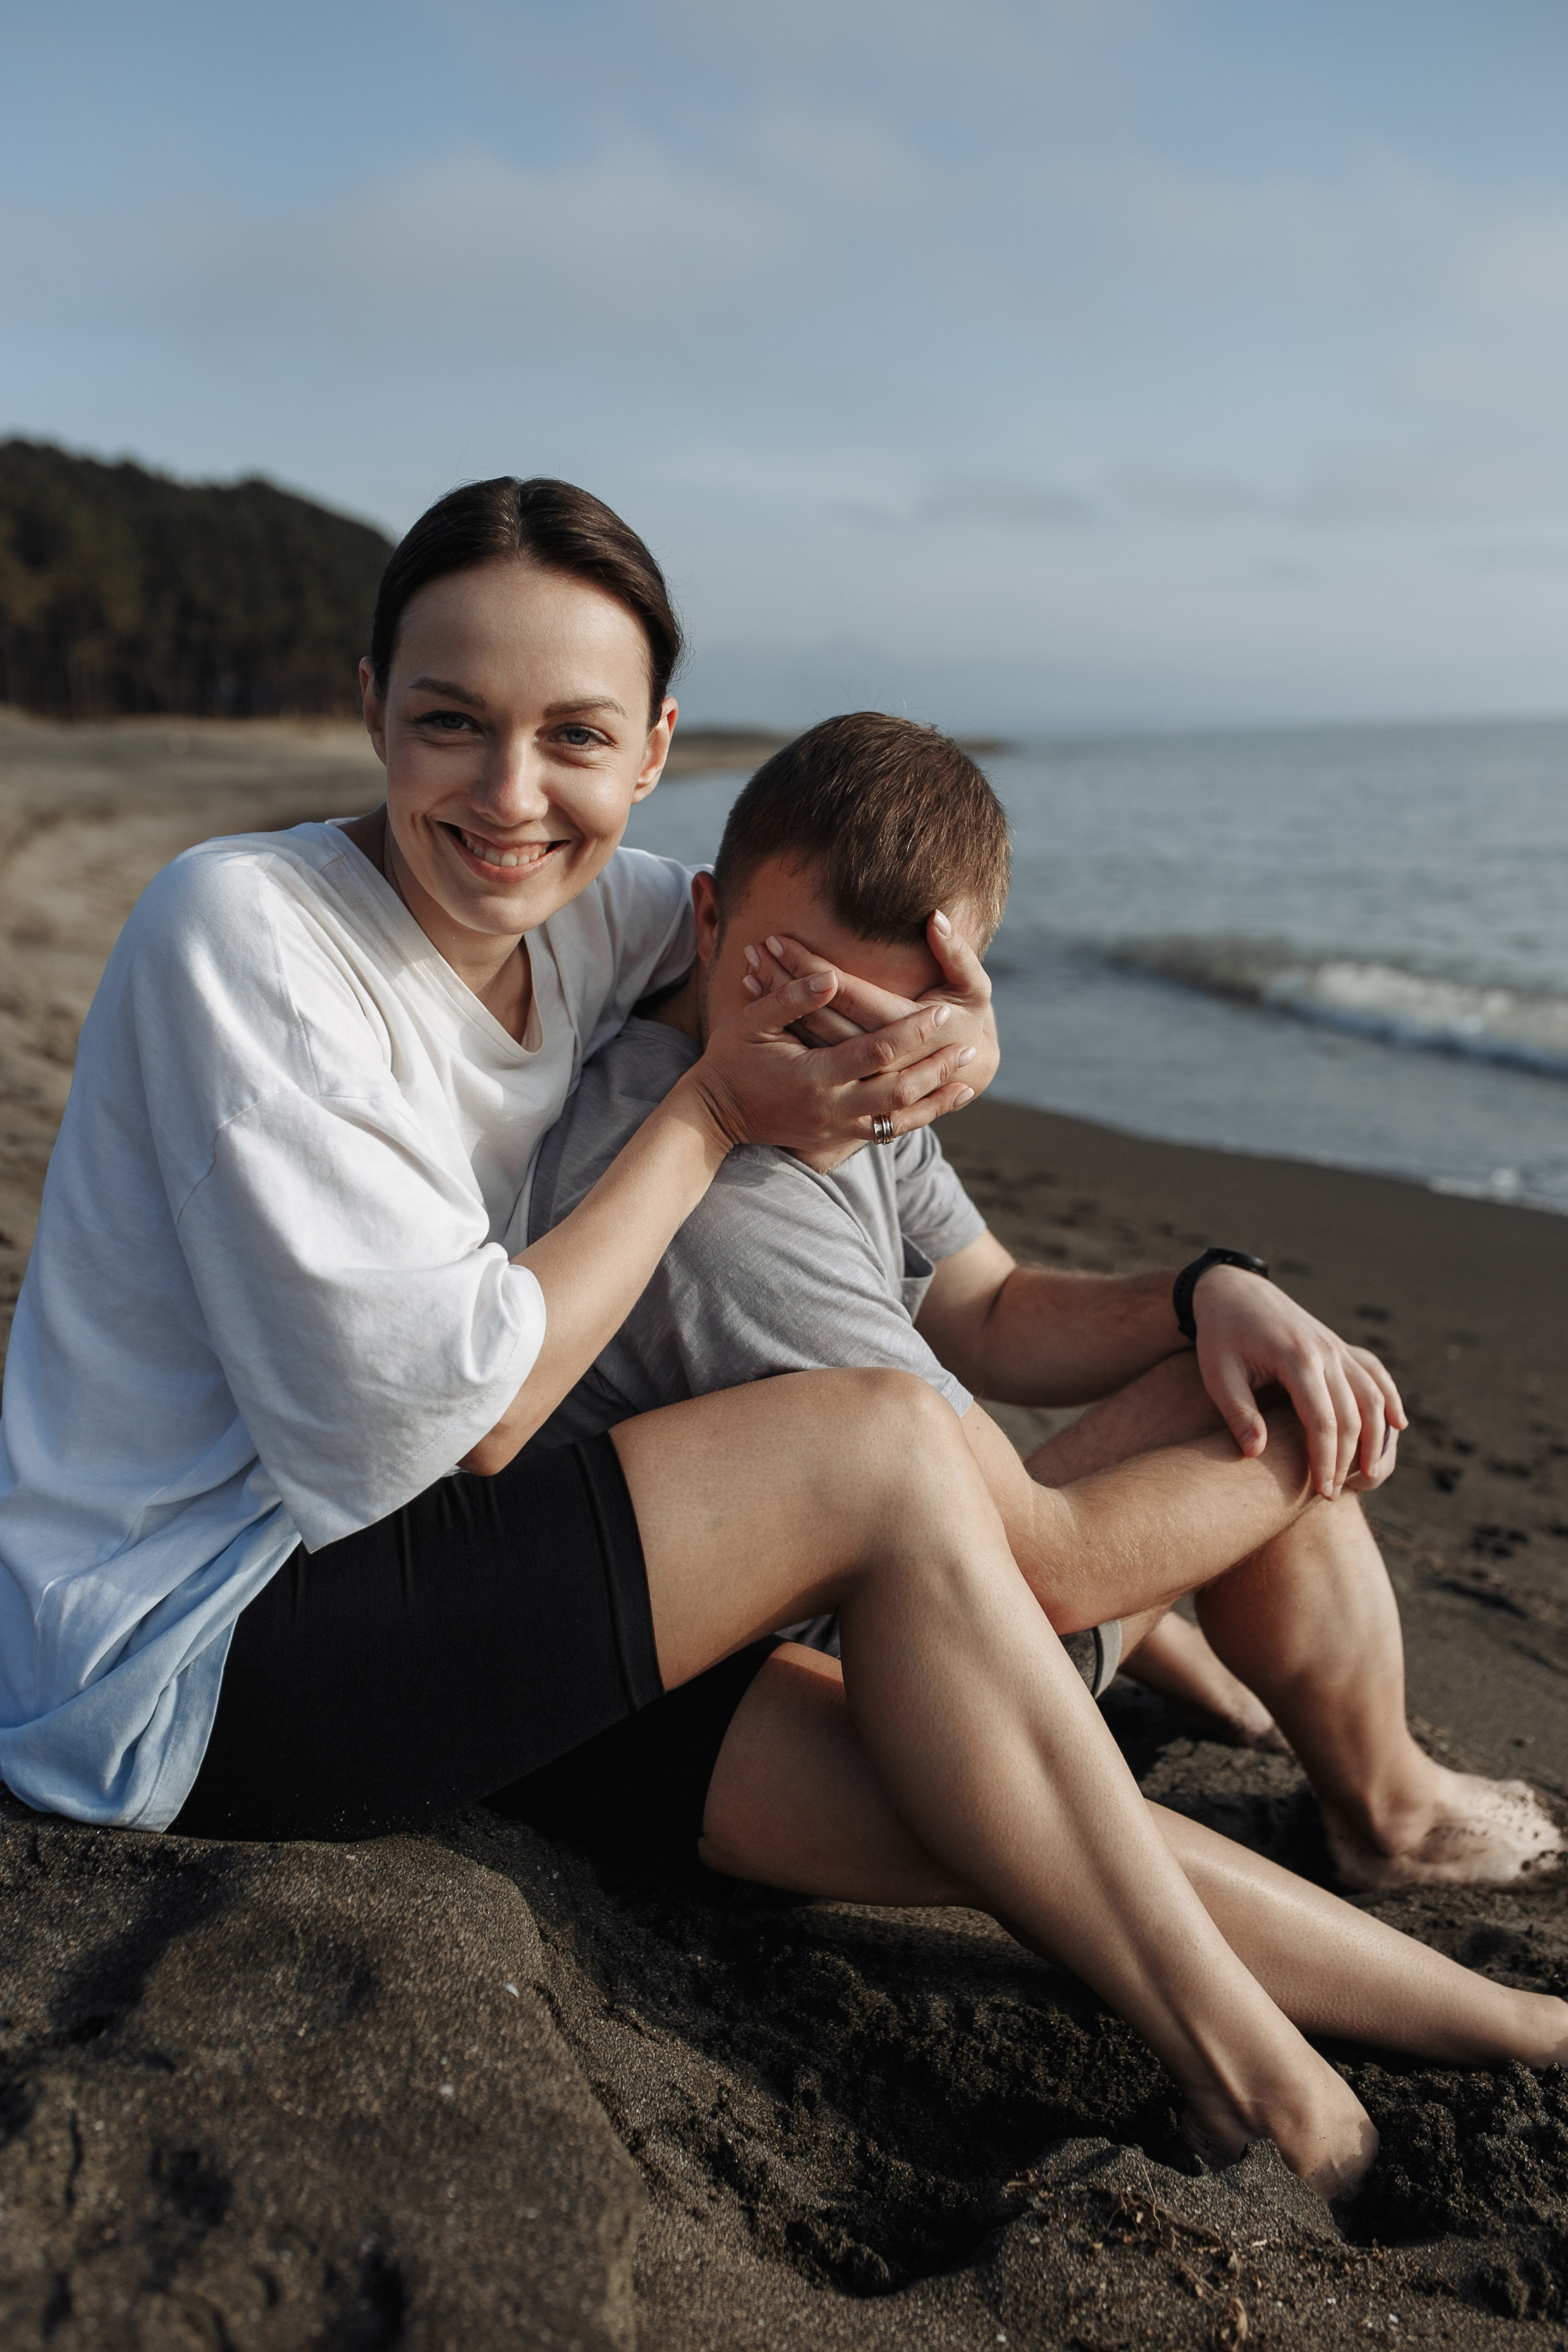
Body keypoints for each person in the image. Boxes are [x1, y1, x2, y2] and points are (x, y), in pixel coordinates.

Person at [0, 477, 1560, 2201]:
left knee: (991, 1804)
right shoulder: (247, 933)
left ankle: (1505, 2023)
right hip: (196, 1648)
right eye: (449, 721)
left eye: (573, 736)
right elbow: (462, 1422)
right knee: (876, 1444)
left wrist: (963, 1044)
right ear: (370, 706)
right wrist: (711, 1118)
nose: (510, 794)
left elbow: (797, 928)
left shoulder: (594, 906)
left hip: (442, 1576)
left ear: (653, 751)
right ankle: (1266, 2093)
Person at [526, 712, 1564, 1896]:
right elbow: (1042, 1564)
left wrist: (1208, 1291)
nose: (835, 1066)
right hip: (876, 1702)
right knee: (1275, 1402)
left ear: (959, 994)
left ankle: (1278, 1715)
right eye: (793, 997)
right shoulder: (723, 1206)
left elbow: (994, 1311)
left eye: (886, 1027)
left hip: (894, 1593)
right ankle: (1392, 1815)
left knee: (1236, 1354)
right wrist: (1299, 1425)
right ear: (706, 919)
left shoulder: (867, 1079)